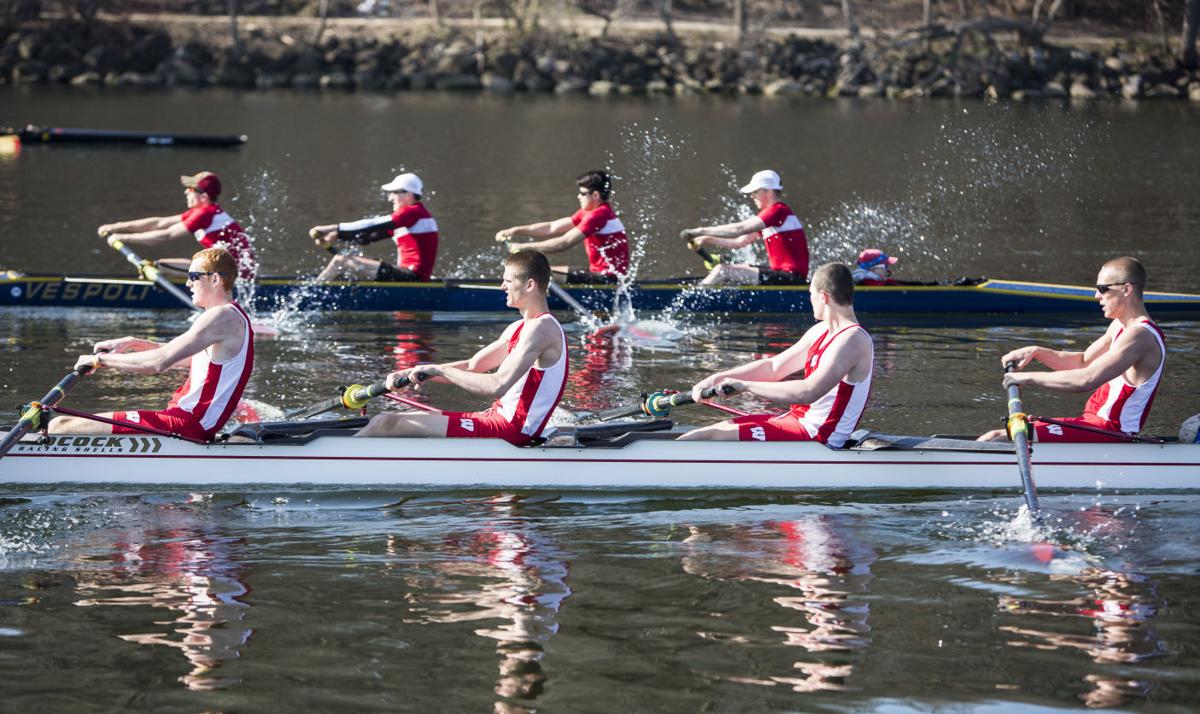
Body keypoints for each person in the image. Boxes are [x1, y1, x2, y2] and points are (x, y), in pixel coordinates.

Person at [357, 250, 568, 446]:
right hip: (493, 419)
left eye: (508, 281)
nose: (502, 287)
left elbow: (497, 385)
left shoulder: (543, 328)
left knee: (385, 424)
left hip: (510, 431)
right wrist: (414, 371)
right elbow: (473, 366)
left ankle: (341, 459)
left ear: (529, 285)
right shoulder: (519, 327)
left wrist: (439, 370)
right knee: (384, 420)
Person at [48, 248, 254, 441]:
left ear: (215, 279)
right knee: (59, 424)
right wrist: (132, 343)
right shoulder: (230, 316)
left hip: (187, 425)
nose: (188, 284)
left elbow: (158, 363)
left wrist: (100, 360)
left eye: (193, 276)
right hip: (185, 420)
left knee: (59, 425)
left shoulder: (221, 317)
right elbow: (182, 357)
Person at [679, 263, 873, 447]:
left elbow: (808, 392)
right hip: (796, 421)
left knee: (711, 437)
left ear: (823, 297)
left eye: (811, 294)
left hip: (819, 436)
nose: (810, 300)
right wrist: (715, 379)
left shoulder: (853, 339)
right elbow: (773, 367)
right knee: (715, 430)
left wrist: (746, 386)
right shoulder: (821, 330)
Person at [979, 256, 1165, 443]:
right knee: (997, 436)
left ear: (1126, 289)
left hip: (1113, 432)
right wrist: (1036, 352)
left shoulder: (1140, 336)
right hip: (1092, 424)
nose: (1096, 296)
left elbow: (1086, 379)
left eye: (1102, 289)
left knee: (996, 438)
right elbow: (1082, 362)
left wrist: (1026, 378)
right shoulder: (1119, 325)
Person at [98, 172, 257, 281]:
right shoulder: (203, 211)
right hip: (226, 271)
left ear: (203, 196)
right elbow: (159, 223)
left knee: (160, 266)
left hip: (234, 277)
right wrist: (116, 227)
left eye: (191, 189)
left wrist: (123, 238)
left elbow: (166, 236)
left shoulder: (205, 214)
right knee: (161, 266)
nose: (186, 192)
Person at [494, 170, 629, 284]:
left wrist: (524, 247)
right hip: (597, 272)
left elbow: (563, 243)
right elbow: (551, 227)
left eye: (582, 193)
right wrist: (514, 230)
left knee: (534, 272)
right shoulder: (588, 212)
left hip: (608, 278)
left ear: (595, 195)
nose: (578, 196)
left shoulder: (599, 215)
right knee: (538, 272)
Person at [679, 169, 810, 286]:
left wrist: (700, 231)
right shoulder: (771, 217)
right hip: (782, 274)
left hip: (791, 278)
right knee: (735, 268)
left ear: (769, 192)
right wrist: (707, 239)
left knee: (723, 270)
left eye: (755, 192)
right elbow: (739, 242)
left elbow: (738, 229)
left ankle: (691, 298)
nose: (752, 196)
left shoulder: (778, 211)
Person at [311, 172, 439, 282]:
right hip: (406, 275)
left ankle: (312, 292)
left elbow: (372, 224)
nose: (390, 198)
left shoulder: (413, 212)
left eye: (394, 193)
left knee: (341, 261)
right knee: (348, 267)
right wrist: (337, 235)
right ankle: (319, 289)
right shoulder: (409, 219)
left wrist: (333, 228)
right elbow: (367, 238)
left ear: (408, 194)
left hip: (412, 277)